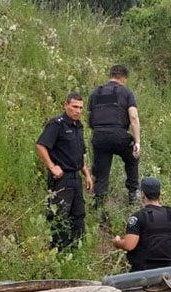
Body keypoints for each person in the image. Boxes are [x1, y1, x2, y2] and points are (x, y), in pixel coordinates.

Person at [35, 93, 94, 250]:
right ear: (66, 105)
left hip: (76, 178)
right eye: (75, 107)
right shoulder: (57, 124)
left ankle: (76, 250)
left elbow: (79, 155)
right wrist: (52, 166)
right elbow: (41, 145)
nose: (78, 111)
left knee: (78, 216)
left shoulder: (78, 127)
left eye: (81, 108)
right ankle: (58, 251)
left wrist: (86, 174)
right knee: (59, 216)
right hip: (61, 179)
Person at [87, 64, 141, 212]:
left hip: (99, 135)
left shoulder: (95, 93)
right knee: (132, 158)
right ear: (123, 78)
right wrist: (137, 142)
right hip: (119, 134)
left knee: (101, 172)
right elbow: (134, 117)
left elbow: (90, 117)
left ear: (110, 75)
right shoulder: (126, 92)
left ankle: (99, 204)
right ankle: (132, 194)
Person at [111, 176, 171, 271]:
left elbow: (129, 246)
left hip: (143, 273)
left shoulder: (137, 217)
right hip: (168, 272)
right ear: (159, 194)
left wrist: (117, 242)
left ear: (143, 194)